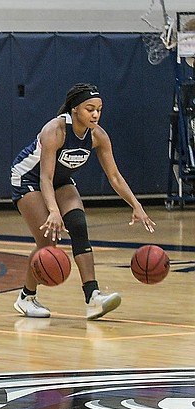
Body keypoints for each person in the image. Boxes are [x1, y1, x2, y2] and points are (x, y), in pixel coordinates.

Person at [10, 83, 156, 320]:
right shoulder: (55, 130)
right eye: (90, 109)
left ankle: (93, 298)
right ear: (75, 109)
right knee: (48, 242)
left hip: (60, 179)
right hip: (29, 177)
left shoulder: (98, 136)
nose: (96, 114)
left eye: (99, 109)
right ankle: (26, 297)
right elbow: (45, 178)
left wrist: (136, 205)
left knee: (78, 225)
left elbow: (115, 177)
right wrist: (53, 211)